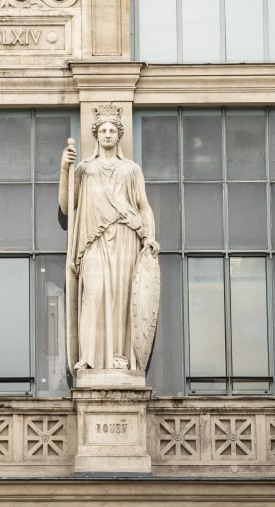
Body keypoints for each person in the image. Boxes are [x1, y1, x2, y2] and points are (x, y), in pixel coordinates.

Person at [59, 104, 159, 372]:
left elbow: (143, 205)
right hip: (93, 241)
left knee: (120, 297)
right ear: (96, 135)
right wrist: (65, 170)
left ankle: (119, 356)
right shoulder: (84, 169)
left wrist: (150, 236)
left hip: (126, 235)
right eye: (102, 129)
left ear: (118, 134)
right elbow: (68, 206)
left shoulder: (131, 170)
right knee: (93, 294)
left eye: (112, 130)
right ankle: (89, 357)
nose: (107, 134)